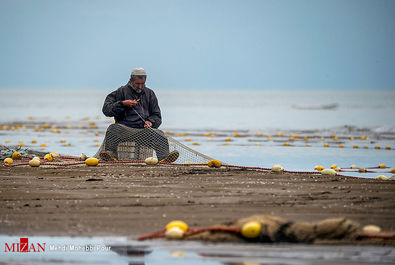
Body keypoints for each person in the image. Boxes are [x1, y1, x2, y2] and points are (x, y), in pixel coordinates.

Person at [100, 68, 179, 162]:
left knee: (159, 134)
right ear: (131, 80)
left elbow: (157, 115)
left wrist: (151, 122)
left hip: (143, 131)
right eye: (137, 84)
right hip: (124, 130)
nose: (140, 87)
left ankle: (165, 158)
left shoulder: (150, 93)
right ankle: (111, 155)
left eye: (143, 84)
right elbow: (106, 110)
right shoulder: (120, 92)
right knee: (112, 129)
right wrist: (122, 104)